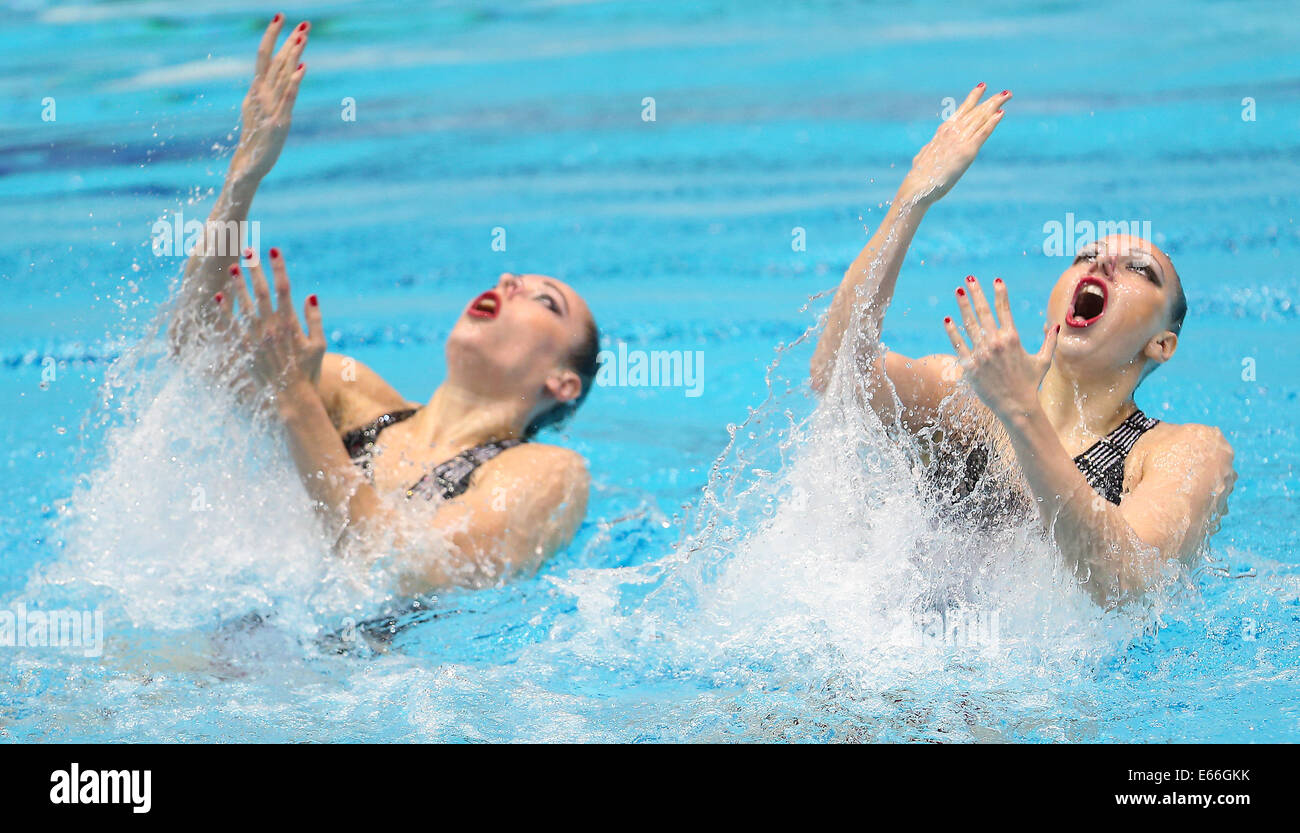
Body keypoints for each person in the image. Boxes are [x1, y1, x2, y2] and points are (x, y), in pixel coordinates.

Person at [167, 16, 598, 593]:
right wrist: (245, 174)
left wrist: (295, 402)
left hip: (372, 674)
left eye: (544, 300)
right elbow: (194, 341)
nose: (508, 282)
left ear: (562, 383)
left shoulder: (547, 472)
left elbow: (408, 572)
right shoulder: (355, 396)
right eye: (512, 276)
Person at [810, 84, 1236, 606]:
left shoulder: (1182, 452)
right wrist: (911, 201)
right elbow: (835, 375)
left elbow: (1126, 582)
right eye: (1087, 255)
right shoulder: (965, 404)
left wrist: (1020, 411)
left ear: (1162, 345)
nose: (1102, 265)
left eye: (1139, 271)